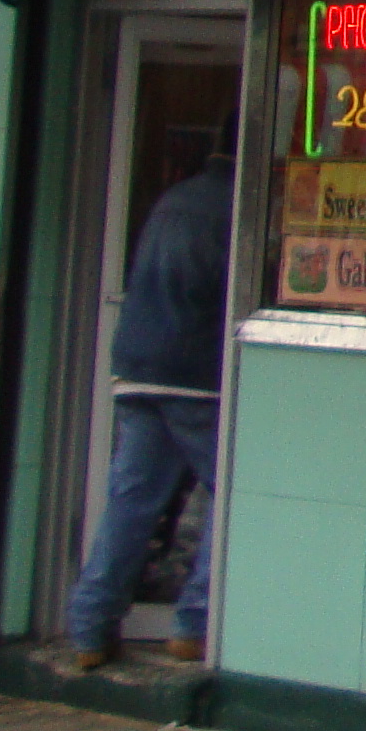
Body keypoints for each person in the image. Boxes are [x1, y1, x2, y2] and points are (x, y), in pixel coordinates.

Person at [68, 138, 235, 671]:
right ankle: (194, 623)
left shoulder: (174, 199)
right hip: (195, 372)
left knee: (132, 501)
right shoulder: (239, 207)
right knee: (233, 493)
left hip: (137, 367)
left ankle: (90, 630)